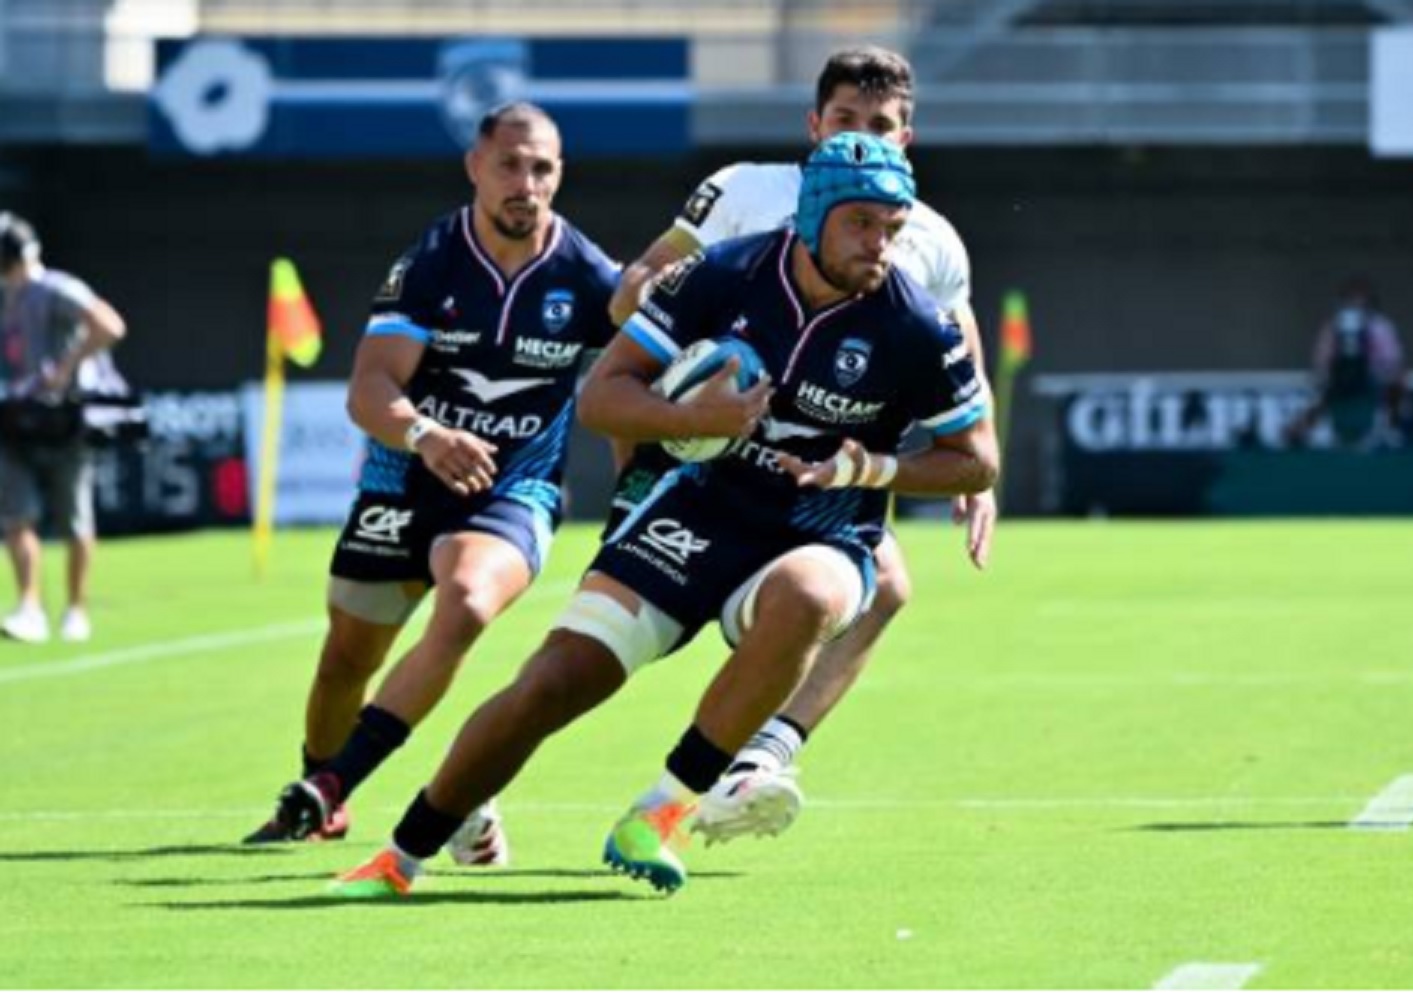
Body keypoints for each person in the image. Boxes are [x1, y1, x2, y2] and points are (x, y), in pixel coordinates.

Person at [324, 132, 998, 898]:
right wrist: (695, 416)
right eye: (861, 223)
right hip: (702, 506)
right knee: (555, 679)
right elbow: (603, 395)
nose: (880, 244)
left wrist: (873, 467)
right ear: (813, 216)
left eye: (892, 225)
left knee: (809, 596)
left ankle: (663, 810)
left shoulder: (915, 323)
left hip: (823, 526)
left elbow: (976, 458)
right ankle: (399, 857)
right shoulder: (724, 272)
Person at [606, 45, 997, 844]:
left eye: (882, 125)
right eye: (845, 120)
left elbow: (960, 344)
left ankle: (760, 753)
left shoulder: (929, 238)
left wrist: (977, 471)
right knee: (601, 645)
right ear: (813, 124)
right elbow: (636, 289)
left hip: (822, 475)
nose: (862, 134)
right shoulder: (745, 190)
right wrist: (689, 347)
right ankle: (472, 789)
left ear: (907, 138)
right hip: (698, 458)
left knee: (882, 589)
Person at [241, 102, 620, 865]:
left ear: (560, 175)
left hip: (516, 486)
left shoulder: (588, 275)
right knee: (348, 653)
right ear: (475, 167)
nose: (525, 182)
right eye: (509, 164)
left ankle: (339, 785)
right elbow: (368, 389)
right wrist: (426, 433)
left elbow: (633, 383)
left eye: (541, 167)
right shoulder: (431, 263)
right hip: (404, 476)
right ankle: (377, 784)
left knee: (468, 601)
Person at [0, 212, 127, 644]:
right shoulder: (6, 299)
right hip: (16, 418)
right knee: (16, 514)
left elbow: (110, 325)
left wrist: (65, 368)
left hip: (65, 418)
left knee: (75, 518)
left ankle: (76, 608)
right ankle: (29, 607)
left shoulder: (55, 288)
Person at [1287, 276, 1407, 448]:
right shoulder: (1332, 326)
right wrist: (1324, 371)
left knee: (1397, 383)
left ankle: (1391, 427)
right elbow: (1322, 357)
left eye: (1361, 300)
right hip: (1339, 378)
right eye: (1351, 300)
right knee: (1321, 394)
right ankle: (1298, 430)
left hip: (1371, 378)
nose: (1356, 305)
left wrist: (1382, 370)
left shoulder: (1381, 326)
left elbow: (1392, 358)